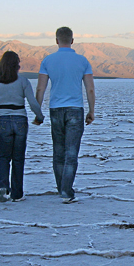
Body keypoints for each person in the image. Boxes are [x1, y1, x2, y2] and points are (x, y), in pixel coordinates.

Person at [36, 26, 96, 203]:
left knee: (58, 151)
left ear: (56, 41)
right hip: (75, 109)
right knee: (71, 152)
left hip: (55, 109)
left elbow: (41, 88)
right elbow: (90, 88)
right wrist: (92, 110)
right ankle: (66, 191)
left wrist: (38, 111)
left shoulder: (48, 60)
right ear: (72, 40)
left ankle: (61, 187)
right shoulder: (82, 60)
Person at [0, 50, 44, 202]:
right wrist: (39, 116)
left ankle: (2, 187)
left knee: (4, 156)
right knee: (18, 158)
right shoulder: (23, 81)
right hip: (20, 119)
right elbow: (32, 102)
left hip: (3, 120)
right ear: (17, 65)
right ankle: (17, 193)